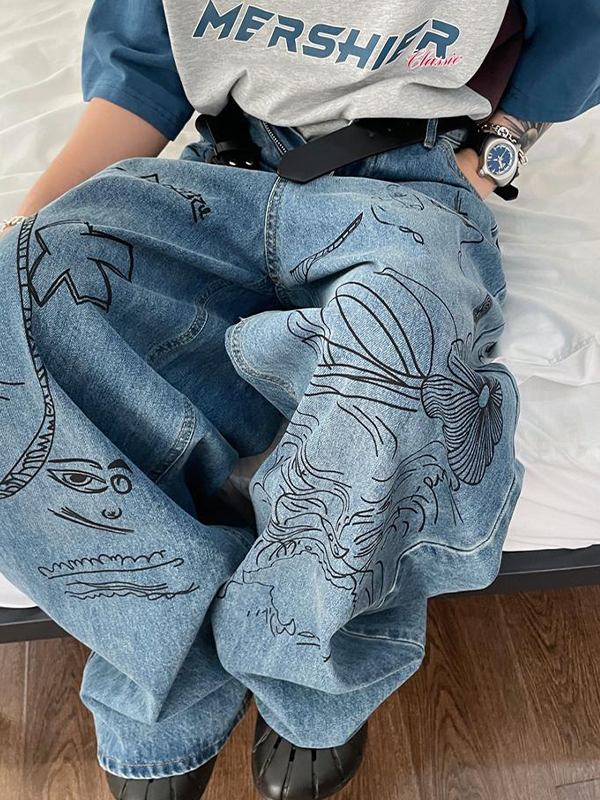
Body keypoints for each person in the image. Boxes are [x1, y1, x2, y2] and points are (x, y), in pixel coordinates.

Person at [0, 1, 598, 798]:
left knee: (399, 344)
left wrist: (493, 153)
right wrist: (26, 238)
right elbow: (143, 77)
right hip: (219, 173)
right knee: (14, 296)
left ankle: (305, 673)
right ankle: (168, 670)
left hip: (406, 179)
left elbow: (580, 28)